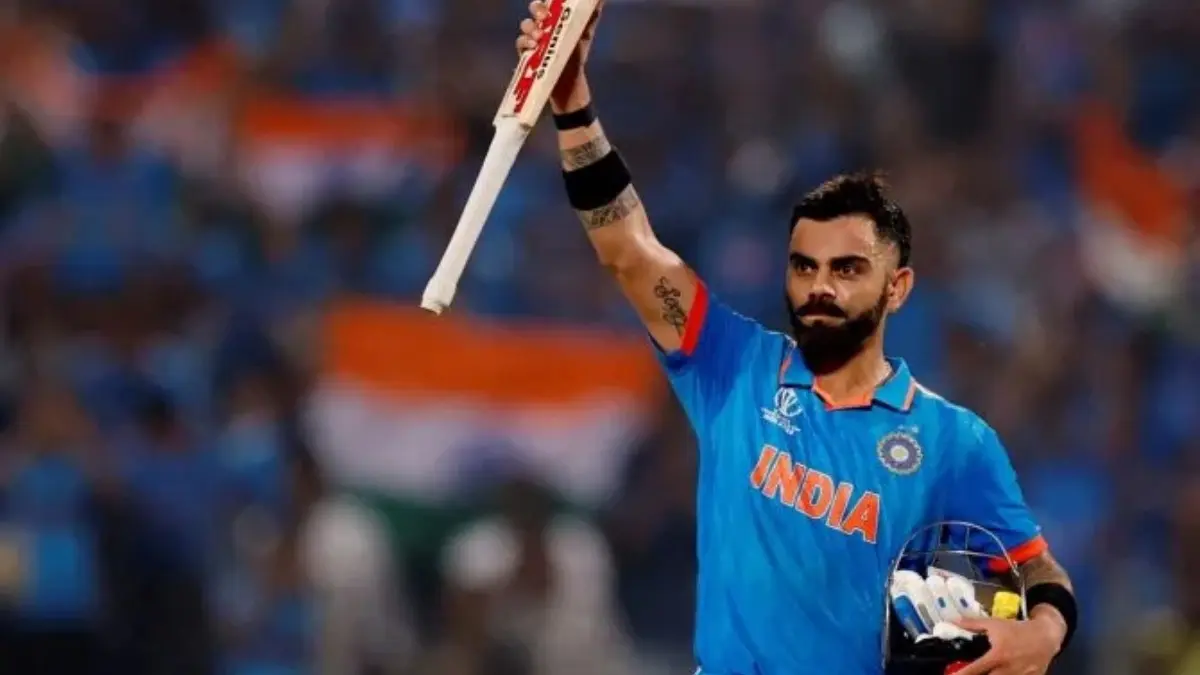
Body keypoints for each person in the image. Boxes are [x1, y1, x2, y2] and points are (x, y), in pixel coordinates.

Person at [514, 3, 1078, 674]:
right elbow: (629, 250)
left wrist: (1044, 632)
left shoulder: (953, 441)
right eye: (805, 266)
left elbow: (1037, 567)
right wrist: (573, 105)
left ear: (896, 288)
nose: (821, 287)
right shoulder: (734, 366)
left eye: (847, 269)